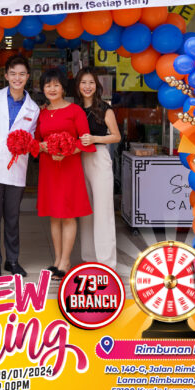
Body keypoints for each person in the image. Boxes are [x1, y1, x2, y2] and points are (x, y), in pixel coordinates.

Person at [0, 55, 40, 278]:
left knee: (12, 217)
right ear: (6, 75)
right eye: (13, 73)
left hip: (16, 169)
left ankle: (12, 260)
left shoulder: (33, 108)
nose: (17, 78)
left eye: (22, 74)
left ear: (28, 77)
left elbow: (31, 139)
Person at [36, 68, 95, 280]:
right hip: (49, 167)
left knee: (68, 214)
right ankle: (57, 260)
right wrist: (42, 146)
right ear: (43, 89)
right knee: (54, 215)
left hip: (69, 167)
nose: (52, 89)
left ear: (63, 88)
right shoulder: (42, 113)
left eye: (56, 85)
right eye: (48, 85)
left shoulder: (75, 111)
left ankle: (66, 261)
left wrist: (67, 150)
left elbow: (85, 140)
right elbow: (36, 141)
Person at [75, 67, 121, 270]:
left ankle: (106, 262)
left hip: (99, 157)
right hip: (78, 159)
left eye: (91, 82)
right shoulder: (75, 109)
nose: (87, 86)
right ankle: (89, 258)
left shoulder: (104, 109)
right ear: (78, 86)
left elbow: (116, 136)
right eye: (83, 82)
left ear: (97, 85)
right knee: (85, 211)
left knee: (103, 210)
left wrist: (95, 139)